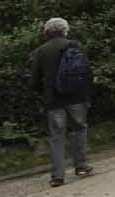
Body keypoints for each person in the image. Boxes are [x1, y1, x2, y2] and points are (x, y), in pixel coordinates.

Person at [30, 18, 93, 187]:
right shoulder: (74, 46)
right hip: (76, 97)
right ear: (65, 30)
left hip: (53, 99)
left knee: (57, 136)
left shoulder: (41, 52)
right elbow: (86, 70)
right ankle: (81, 166)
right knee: (79, 128)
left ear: (47, 32)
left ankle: (57, 176)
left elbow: (34, 81)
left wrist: (44, 93)